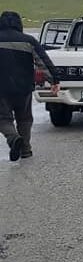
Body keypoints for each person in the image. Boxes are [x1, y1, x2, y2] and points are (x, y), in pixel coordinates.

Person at [0, 11, 60, 161]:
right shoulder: (28, 40)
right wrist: (54, 80)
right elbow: (43, 61)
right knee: (25, 119)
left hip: (2, 88)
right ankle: (26, 150)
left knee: (3, 119)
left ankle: (13, 138)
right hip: (24, 87)